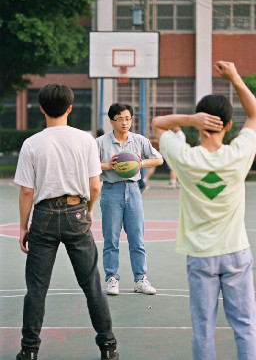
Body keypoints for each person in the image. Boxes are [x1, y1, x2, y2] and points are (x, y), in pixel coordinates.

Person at [152, 61, 256, 360]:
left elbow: (158, 125)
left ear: (200, 123)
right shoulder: (240, 154)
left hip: (201, 256)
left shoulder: (183, 157)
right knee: (246, 326)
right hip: (236, 251)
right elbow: (254, 113)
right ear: (228, 125)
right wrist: (235, 76)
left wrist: (190, 119)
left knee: (203, 328)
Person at [14, 84, 119, 360]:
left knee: (36, 289)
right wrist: (89, 210)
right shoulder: (85, 140)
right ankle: (108, 347)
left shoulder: (32, 143)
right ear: (70, 108)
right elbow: (95, 186)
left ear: (41, 109)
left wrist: (24, 226)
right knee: (92, 285)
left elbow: (27, 191)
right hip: (77, 213)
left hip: (44, 216)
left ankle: (29, 350)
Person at [96, 103, 163, 295]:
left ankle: (140, 279)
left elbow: (159, 159)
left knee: (137, 238)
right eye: (120, 119)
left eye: (128, 118)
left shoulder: (139, 140)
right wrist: (108, 166)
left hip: (133, 190)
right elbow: (88, 164)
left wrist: (138, 163)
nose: (125, 122)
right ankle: (111, 279)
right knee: (111, 238)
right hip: (111, 191)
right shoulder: (100, 142)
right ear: (111, 121)